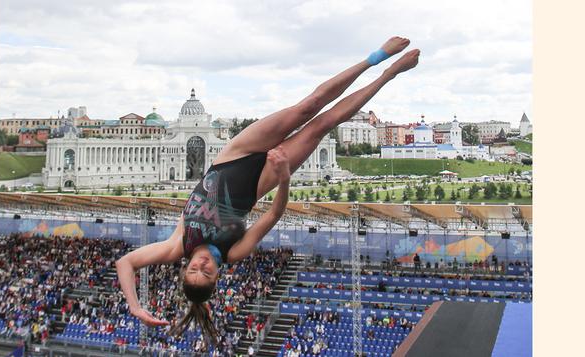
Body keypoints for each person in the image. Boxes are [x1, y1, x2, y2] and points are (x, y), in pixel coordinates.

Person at [116, 36, 420, 341]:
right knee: (321, 124)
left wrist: (134, 305)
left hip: (233, 155)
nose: (202, 265)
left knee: (307, 107)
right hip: (264, 177)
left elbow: (125, 262)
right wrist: (284, 175)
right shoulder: (232, 252)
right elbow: (273, 214)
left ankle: (376, 56)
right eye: (206, 272)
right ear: (216, 276)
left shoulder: (176, 246)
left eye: (194, 269)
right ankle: (389, 73)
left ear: (185, 269)